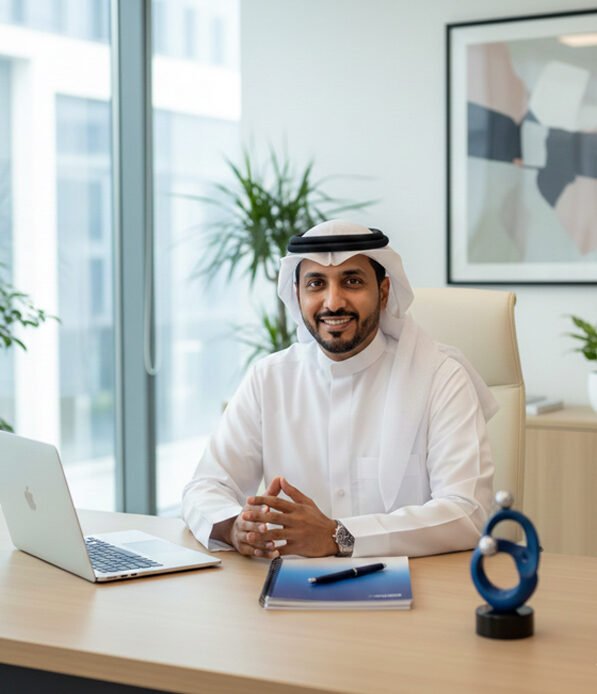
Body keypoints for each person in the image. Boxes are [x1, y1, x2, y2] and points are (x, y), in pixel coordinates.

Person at [182, 220, 497, 559]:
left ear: (384, 291)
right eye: (316, 284)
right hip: (291, 584)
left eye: (352, 281)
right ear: (298, 295)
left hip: (412, 584)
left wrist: (339, 536)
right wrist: (234, 527)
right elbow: (206, 486)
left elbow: (467, 511)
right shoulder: (269, 378)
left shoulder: (439, 377)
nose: (333, 302)